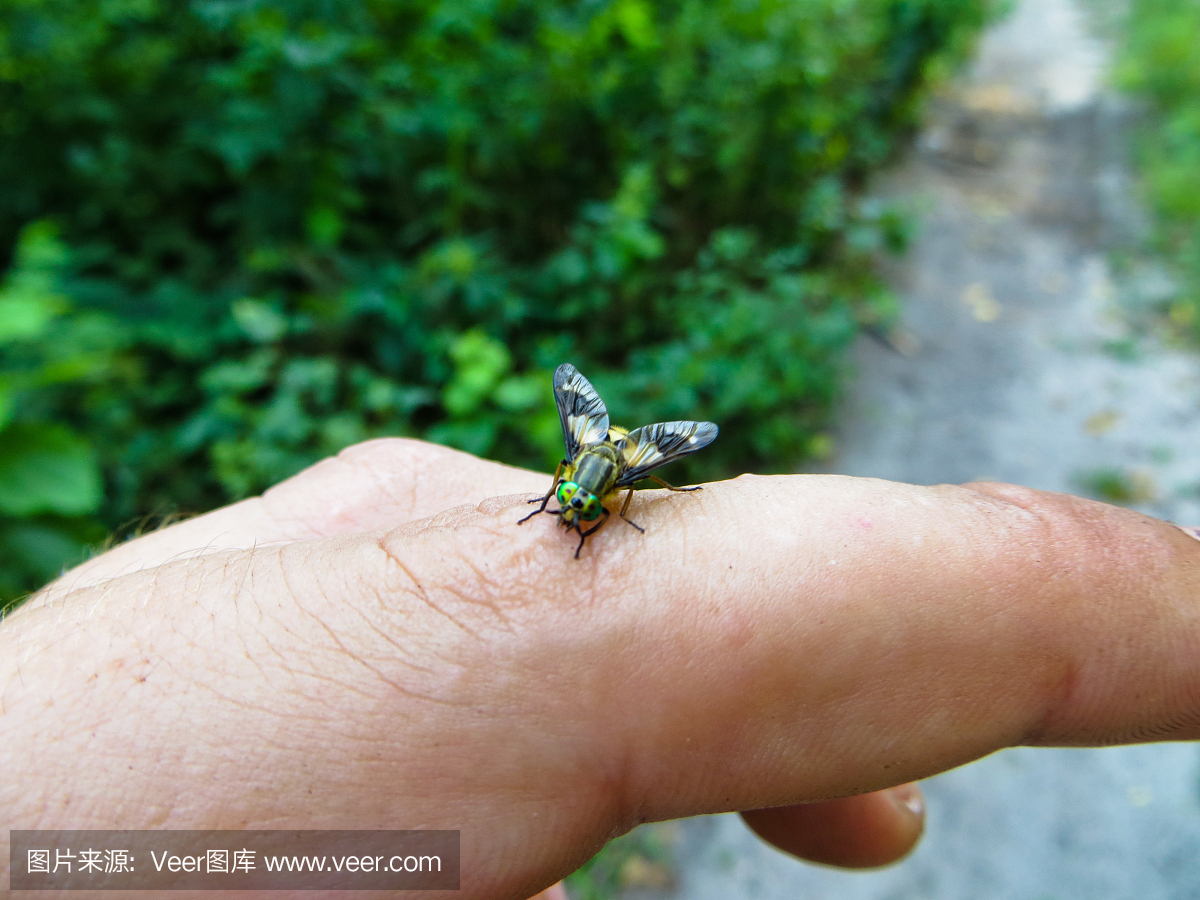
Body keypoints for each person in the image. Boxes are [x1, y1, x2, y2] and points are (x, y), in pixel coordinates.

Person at [4, 437, 1199, 899]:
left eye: (587, 499)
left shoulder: (609, 490)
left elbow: (614, 497)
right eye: (575, 499)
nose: (576, 507)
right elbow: (569, 500)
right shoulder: (571, 494)